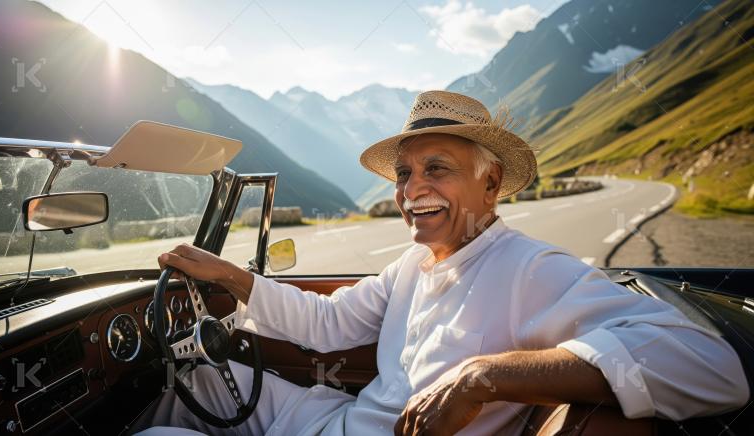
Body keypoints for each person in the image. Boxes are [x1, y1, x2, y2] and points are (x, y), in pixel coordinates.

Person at [137, 91, 749, 435]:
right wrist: (232, 276)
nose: (411, 190)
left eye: (438, 169)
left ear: (492, 185)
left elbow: (712, 367)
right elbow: (328, 324)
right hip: (338, 420)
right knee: (184, 381)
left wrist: (485, 375)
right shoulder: (413, 264)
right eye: (405, 174)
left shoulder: (531, 269)